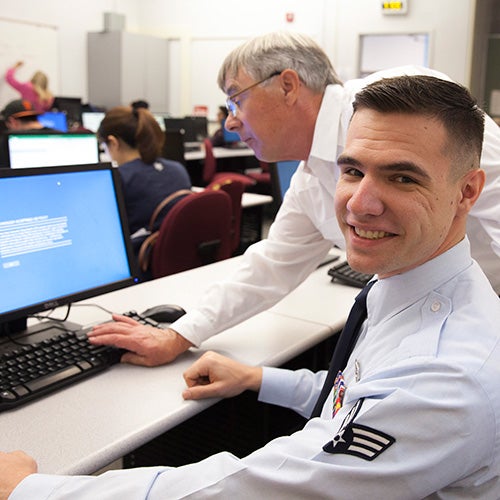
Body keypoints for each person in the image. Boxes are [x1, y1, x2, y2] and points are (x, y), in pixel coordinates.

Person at [2, 75, 500, 499]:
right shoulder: (411, 288)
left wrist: (34, 490)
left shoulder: (449, 376)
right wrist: (259, 379)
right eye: (351, 171)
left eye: (403, 179)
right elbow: (356, 399)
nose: (359, 204)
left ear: (467, 192)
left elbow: (252, 489)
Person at [87, 31, 500, 368]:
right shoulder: (312, 174)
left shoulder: (399, 108)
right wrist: (179, 334)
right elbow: (271, 266)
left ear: (287, 85)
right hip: (422, 320)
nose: (230, 121)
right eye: (353, 171)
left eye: (236, 99)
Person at [96, 106, 192, 240]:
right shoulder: (178, 169)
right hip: (177, 256)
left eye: (104, 146)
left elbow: (103, 231)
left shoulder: (118, 178)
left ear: (113, 142)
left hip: (139, 258)